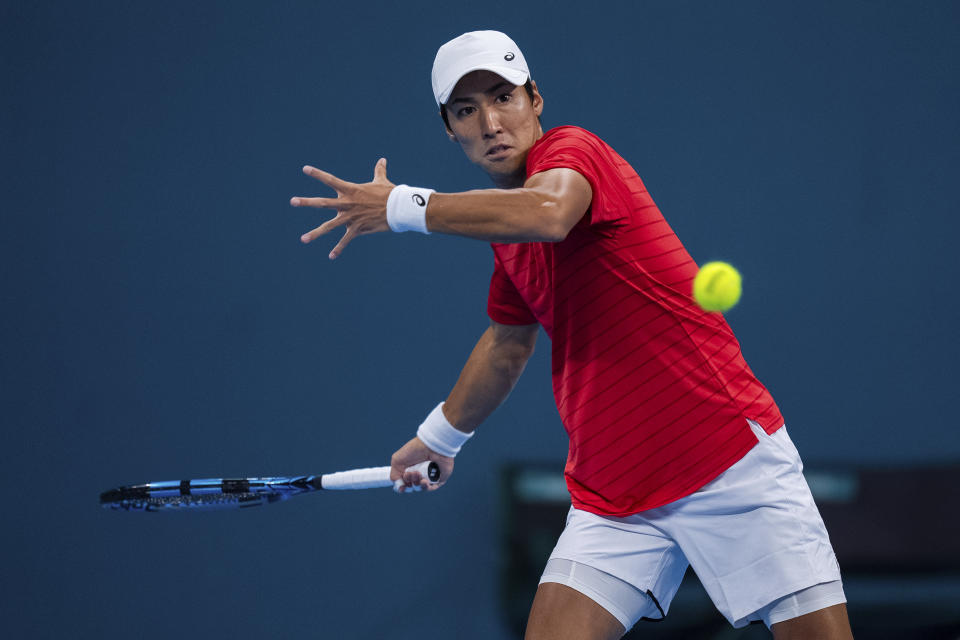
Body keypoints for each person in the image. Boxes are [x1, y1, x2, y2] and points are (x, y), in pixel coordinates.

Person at [290, 30, 853, 640]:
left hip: (726, 459)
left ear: (536, 100)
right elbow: (508, 343)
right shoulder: (507, 235)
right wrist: (440, 438)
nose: (489, 122)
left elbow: (549, 214)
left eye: (503, 97)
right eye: (466, 110)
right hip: (614, 492)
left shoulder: (575, 152)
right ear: (450, 131)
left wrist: (404, 206)